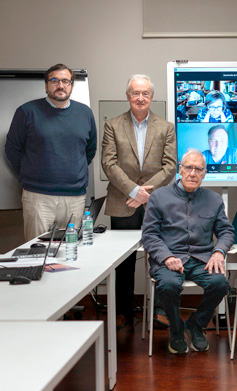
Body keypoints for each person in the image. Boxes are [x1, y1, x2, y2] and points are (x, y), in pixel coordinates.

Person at [101, 74, 177, 328]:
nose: (140, 97)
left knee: (161, 255)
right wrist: (134, 191)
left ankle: (159, 310)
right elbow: (108, 163)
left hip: (157, 203)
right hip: (124, 201)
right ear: (128, 96)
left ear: (152, 97)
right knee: (123, 260)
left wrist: (146, 193)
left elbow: (170, 166)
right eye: (135, 93)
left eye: (145, 93)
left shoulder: (165, 127)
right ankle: (123, 312)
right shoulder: (113, 125)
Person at [142, 149, 235, 355]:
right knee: (168, 285)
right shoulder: (159, 197)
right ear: (180, 170)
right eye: (189, 168)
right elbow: (149, 235)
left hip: (202, 259)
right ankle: (176, 329)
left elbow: (226, 231)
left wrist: (219, 252)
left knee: (220, 284)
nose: (193, 173)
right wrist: (167, 257)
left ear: (204, 173)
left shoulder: (213, 199)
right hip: (168, 258)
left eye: (198, 169)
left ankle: (195, 324)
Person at [5, 63, 97, 240]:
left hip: (75, 198)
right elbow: (12, 149)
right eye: (54, 80)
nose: (60, 85)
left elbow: (89, 150)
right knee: (37, 252)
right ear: (46, 85)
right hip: (38, 197)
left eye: (65, 81)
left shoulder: (85, 113)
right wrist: (30, 172)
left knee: (70, 253)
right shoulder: (26, 112)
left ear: (71, 85)